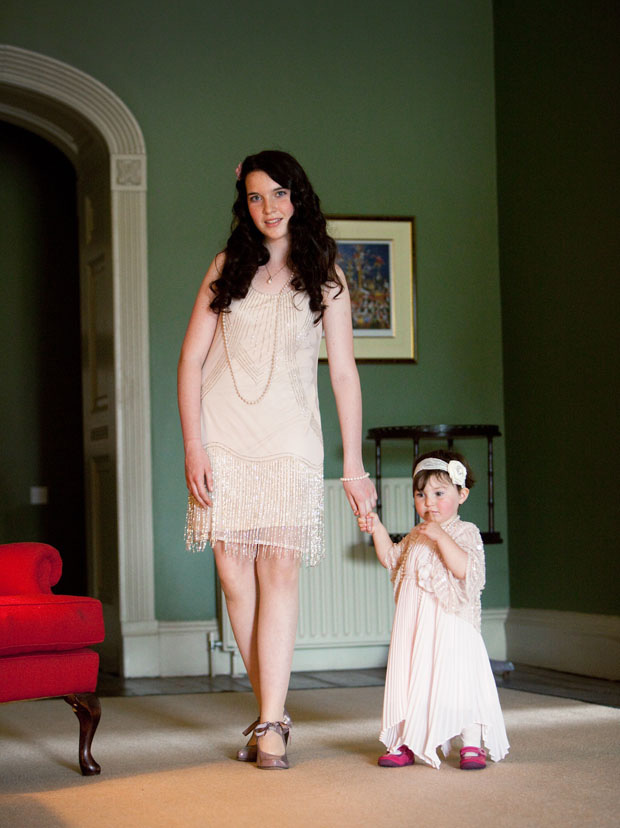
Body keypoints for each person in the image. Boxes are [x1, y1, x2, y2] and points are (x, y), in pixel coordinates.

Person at [178, 150, 377, 769]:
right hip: (224, 435)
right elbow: (189, 362)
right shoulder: (226, 266)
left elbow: (343, 373)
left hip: (291, 437)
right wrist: (193, 444)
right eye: (257, 197)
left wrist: (353, 466)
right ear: (245, 202)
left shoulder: (327, 273)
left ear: (299, 196)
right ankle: (272, 713)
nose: (270, 208)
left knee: (279, 571)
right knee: (234, 575)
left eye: (281, 194)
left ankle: (269, 723)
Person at [358, 449, 509, 770]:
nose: (428, 502)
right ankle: (407, 740)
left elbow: (464, 569)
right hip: (415, 628)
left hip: (452, 629)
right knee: (415, 679)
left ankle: (470, 743)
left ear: (461, 494)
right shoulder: (416, 535)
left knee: (459, 682)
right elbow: (392, 559)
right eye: (421, 494)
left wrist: (441, 537)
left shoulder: (464, 531)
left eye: (439, 494)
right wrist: (377, 528)